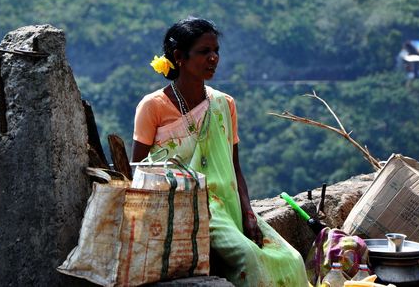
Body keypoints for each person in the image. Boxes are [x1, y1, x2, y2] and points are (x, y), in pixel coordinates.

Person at [132, 17, 309, 287]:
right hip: (185, 208)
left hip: (228, 205)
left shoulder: (223, 104)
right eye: (205, 52)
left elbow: (234, 167)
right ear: (179, 57)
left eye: (216, 51)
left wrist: (248, 213)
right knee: (249, 258)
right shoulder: (153, 106)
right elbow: (138, 169)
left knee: (292, 258)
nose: (214, 58)